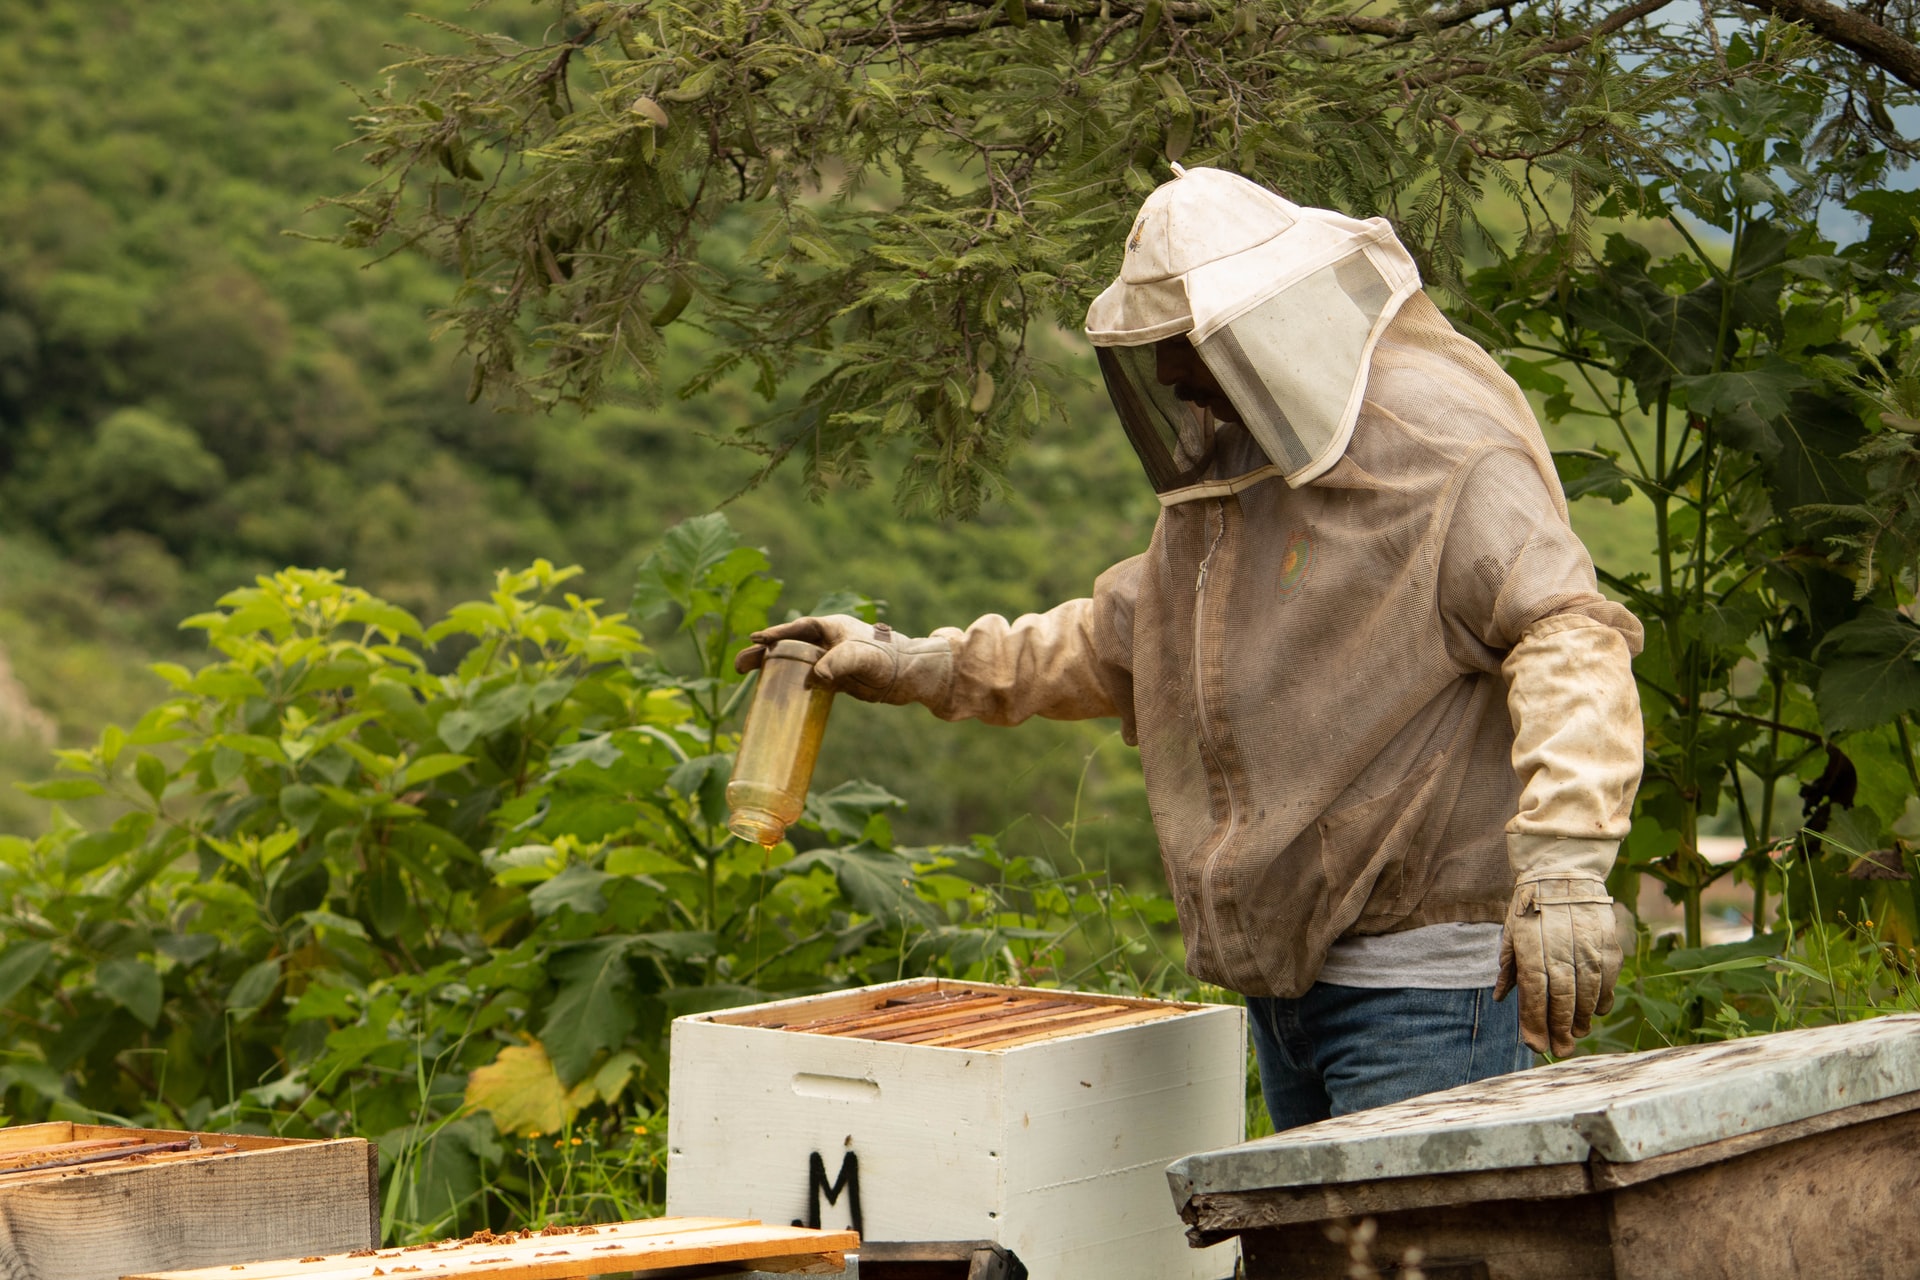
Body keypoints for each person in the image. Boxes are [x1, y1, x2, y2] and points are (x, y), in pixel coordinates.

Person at [735, 166, 1643, 1130]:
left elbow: (1570, 636)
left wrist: (1564, 866)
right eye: (1159, 350)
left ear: (1267, 329)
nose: (1171, 376)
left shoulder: (1445, 452)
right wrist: (905, 661)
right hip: (1288, 989)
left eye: (1184, 346)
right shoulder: (1236, 471)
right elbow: (1121, 638)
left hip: (1427, 995)